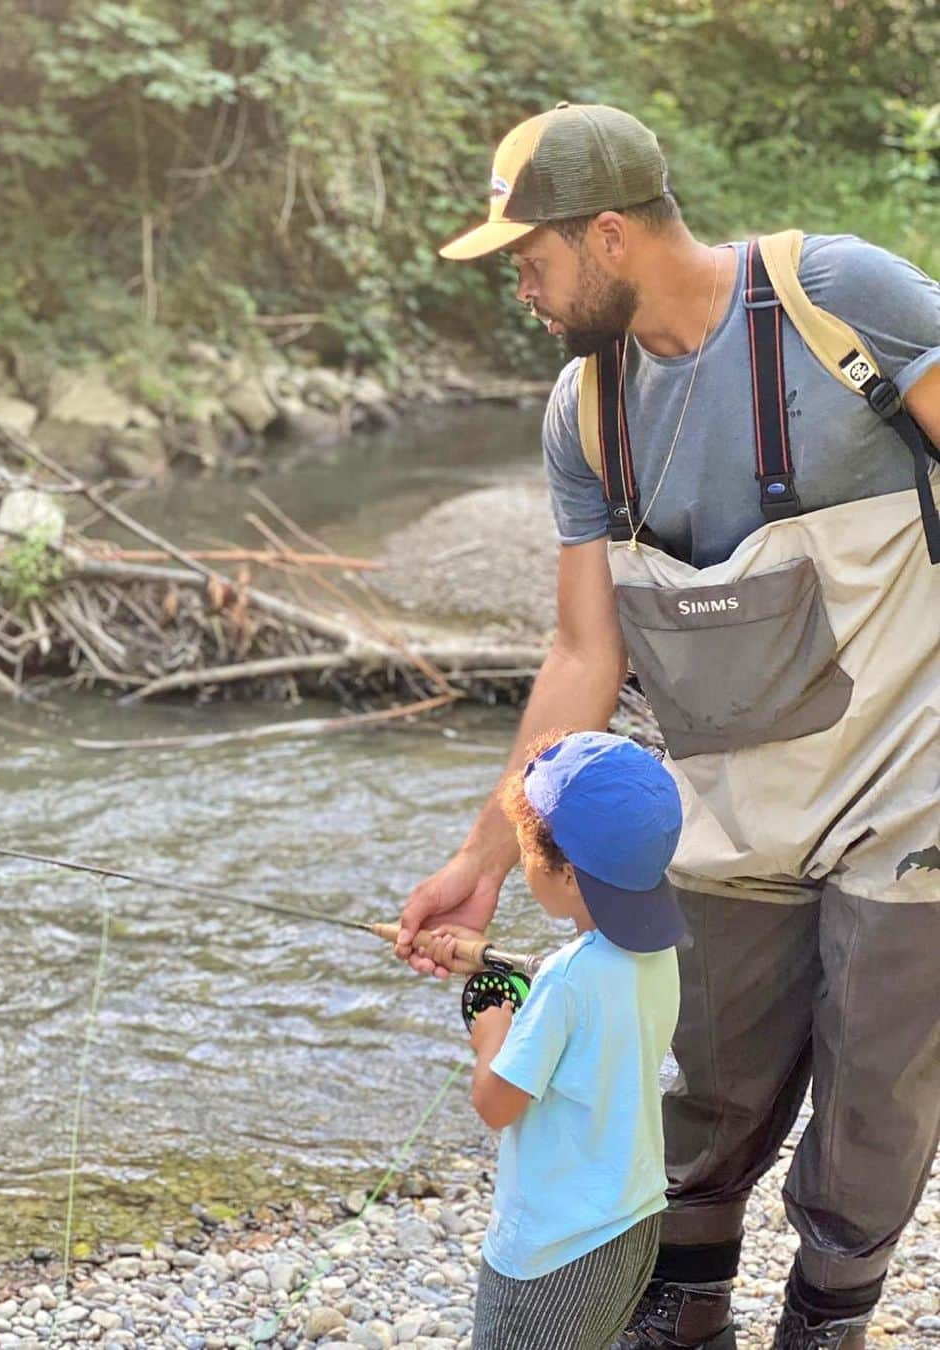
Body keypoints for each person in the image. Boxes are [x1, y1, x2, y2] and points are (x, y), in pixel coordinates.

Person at [396, 103, 940, 1350]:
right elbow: (585, 652)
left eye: (529, 262)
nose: (522, 290)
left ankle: (829, 1320)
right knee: (709, 1091)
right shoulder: (582, 414)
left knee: (878, 1099)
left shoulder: (843, 298)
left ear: (606, 235)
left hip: (915, 786)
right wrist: (482, 864)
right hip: (730, 805)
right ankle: (682, 1310)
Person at [426, 730, 683, 1350]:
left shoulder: (567, 981)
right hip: (632, 1220)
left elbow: (497, 1103)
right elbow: (586, 991)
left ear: (566, 875)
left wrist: (491, 1025)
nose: (522, 867)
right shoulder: (657, 950)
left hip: (554, 1249)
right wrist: (505, 974)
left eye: (526, 855)